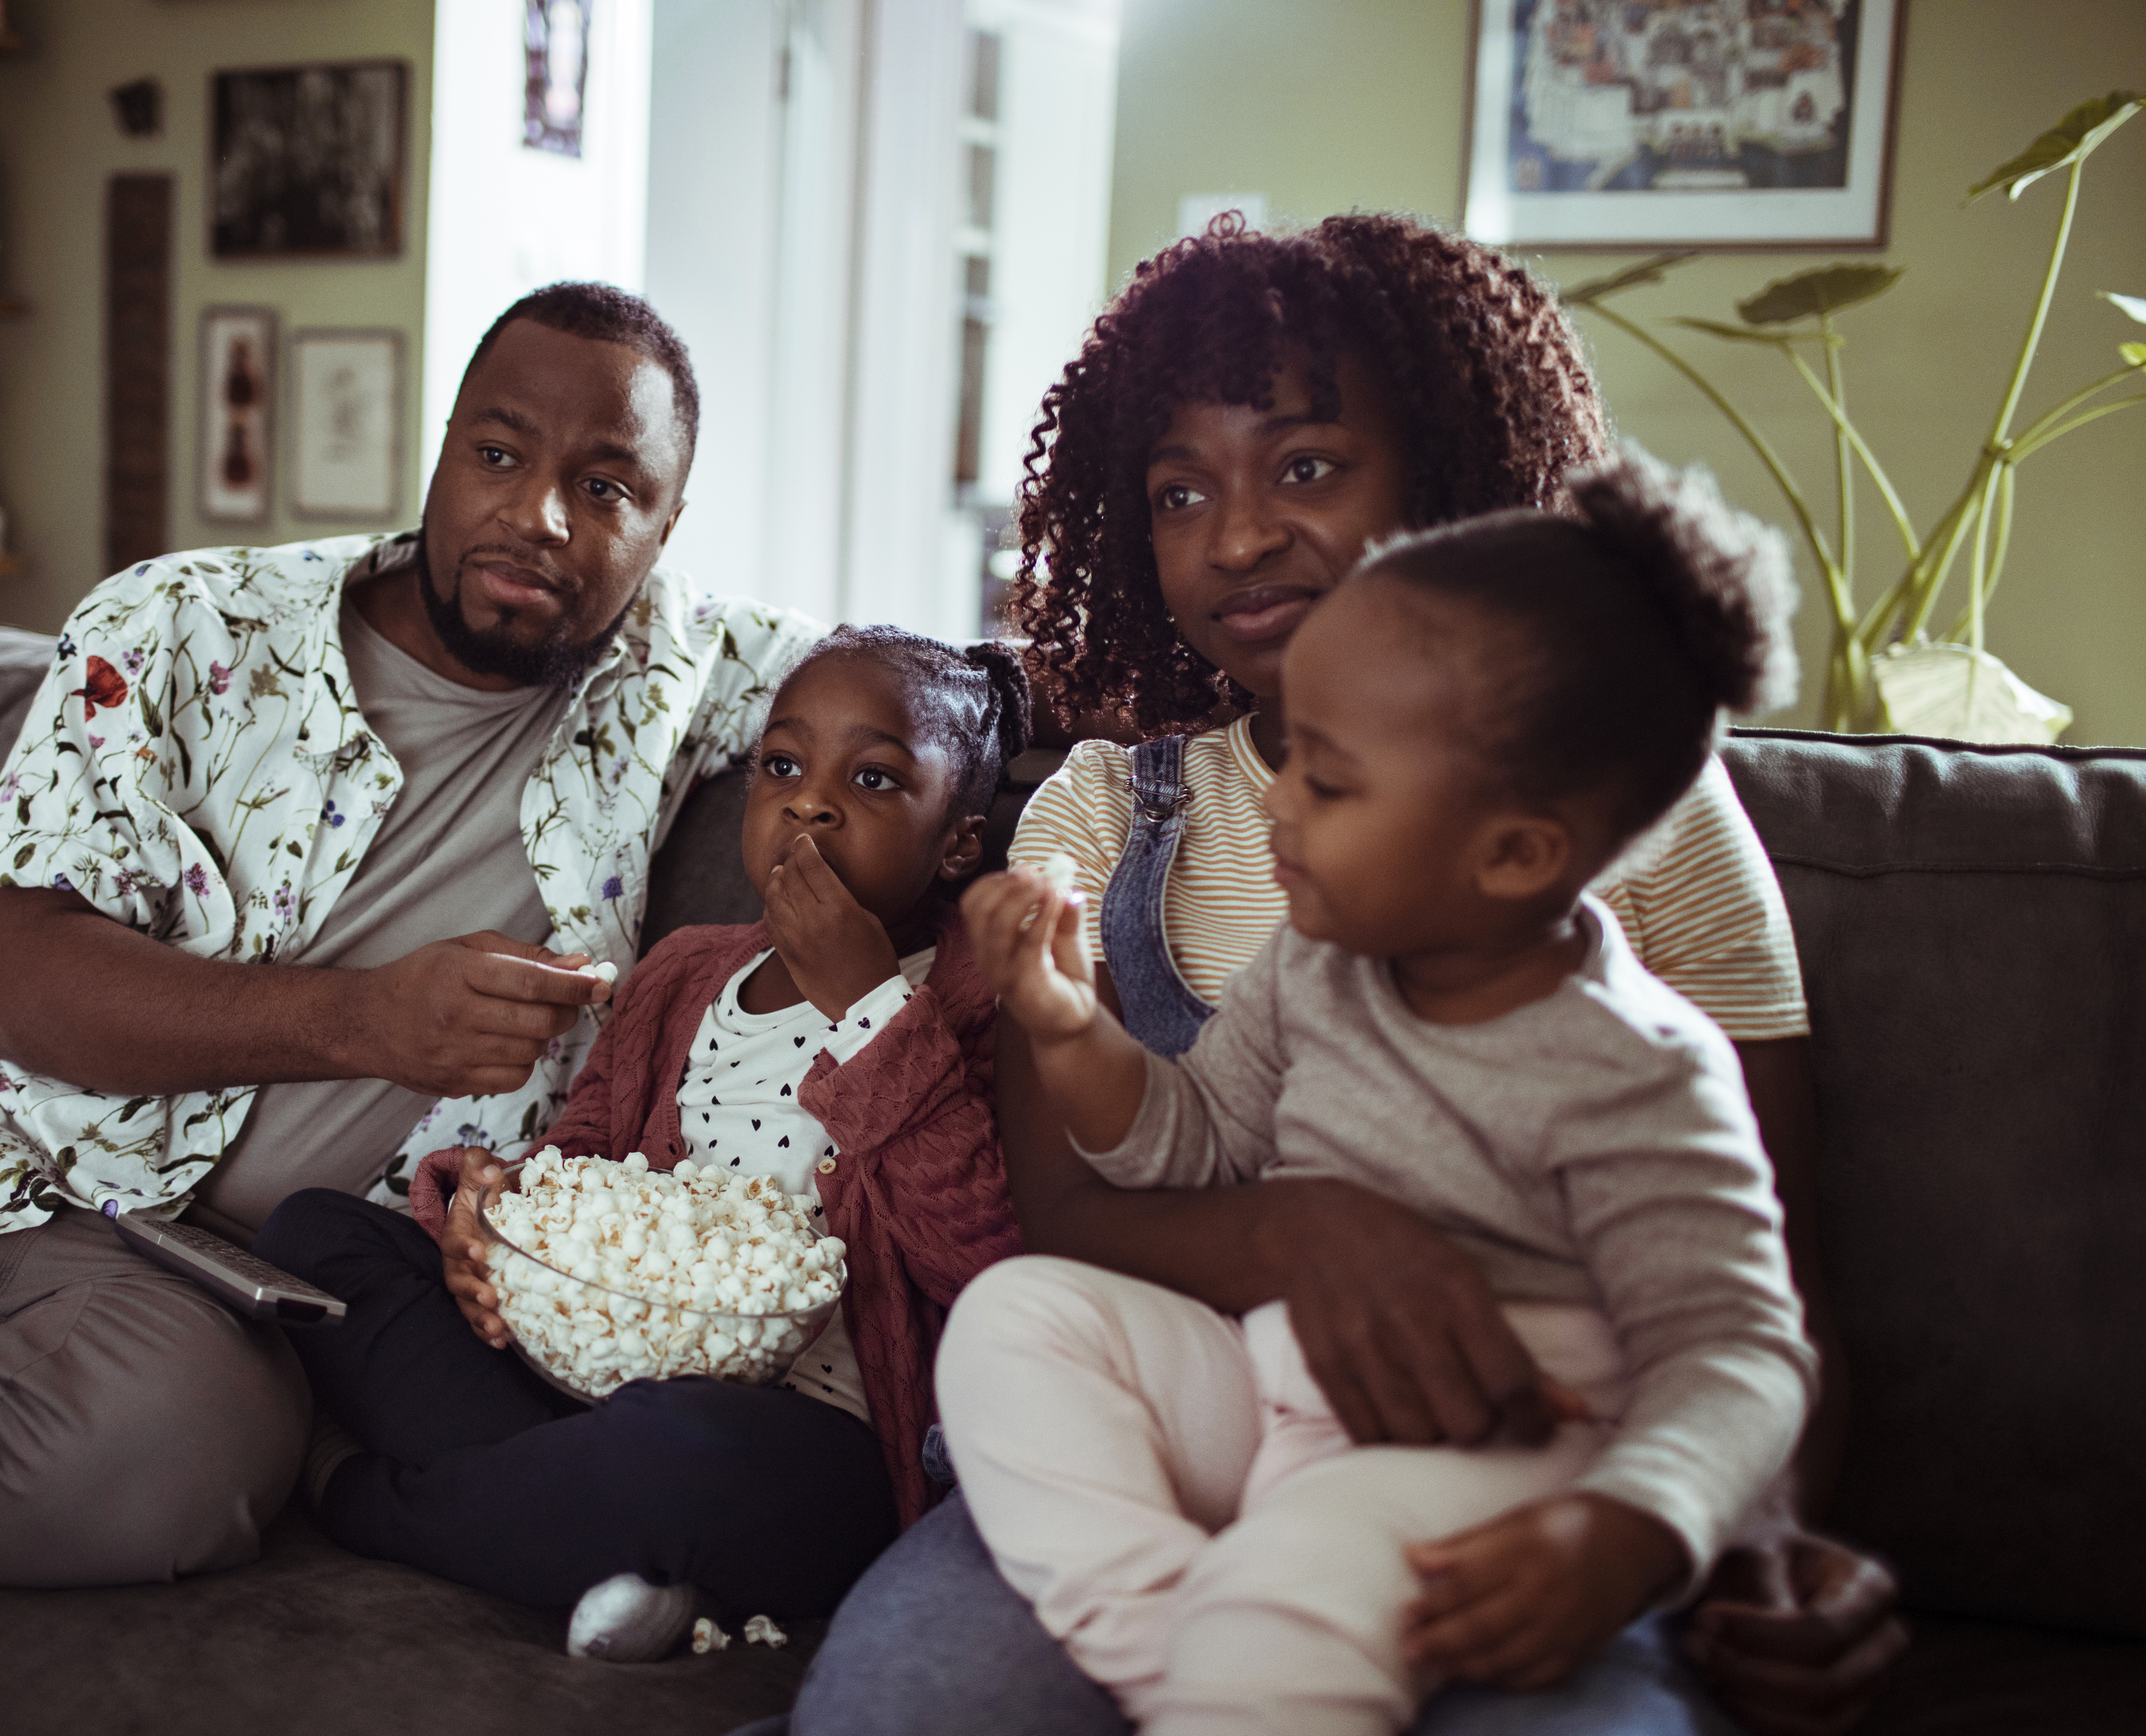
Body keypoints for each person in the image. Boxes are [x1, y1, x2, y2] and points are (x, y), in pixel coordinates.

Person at [790, 215, 1904, 1736]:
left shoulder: (1631, 822)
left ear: (1444, 477)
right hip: (1208, 1419)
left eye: (1307, 465)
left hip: (1522, 1455)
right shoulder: (1109, 817)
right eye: (1182, 491)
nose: (1238, 537)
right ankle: (1217, 1648)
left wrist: (1728, 1533)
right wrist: (1307, 1231)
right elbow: (1080, 1209)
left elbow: (1760, 1301)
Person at [0, 283, 822, 1586]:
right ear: (440, 454)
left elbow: (942, 693)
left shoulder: (689, 673)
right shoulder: (176, 623)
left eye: (608, 490)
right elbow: (19, 986)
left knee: (163, 1476)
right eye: (498, 455)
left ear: (665, 531)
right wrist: (367, 1019)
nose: (539, 516)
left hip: (195, 1280)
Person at [947, 451, 1815, 1735]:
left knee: (1303, 1576)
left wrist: (1629, 1530)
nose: (1281, 802)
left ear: (1515, 854)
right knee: (1016, 1320)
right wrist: (1072, 1028)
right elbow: (1196, 1145)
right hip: (1279, 1387)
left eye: (1332, 783)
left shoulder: (1640, 1069)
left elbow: (1740, 1350)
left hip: (1492, 1451)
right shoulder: (1320, 967)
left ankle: (1253, 1659)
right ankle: (1182, 1645)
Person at [251, 626, 1028, 1655]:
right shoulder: (684, 972)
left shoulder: (983, 993)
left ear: (959, 841)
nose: (812, 801)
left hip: (805, 1437)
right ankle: (604, 1539)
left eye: (875, 778)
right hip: (577, 1376)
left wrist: (866, 1006)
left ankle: (362, 1494)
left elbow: (991, 1261)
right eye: (783, 766)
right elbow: (582, 1168)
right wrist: (493, 1215)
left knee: (683, 1455)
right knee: (315, 1237)